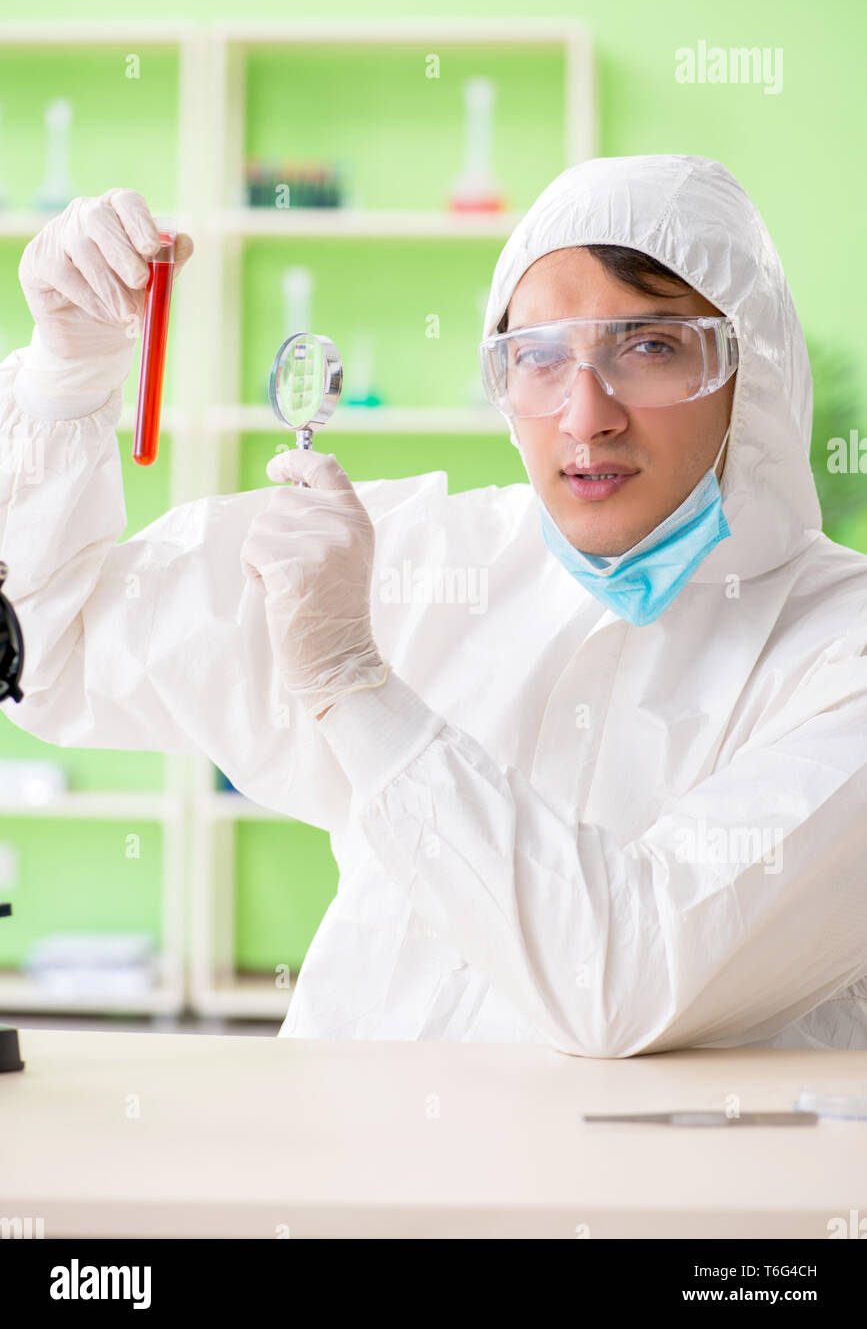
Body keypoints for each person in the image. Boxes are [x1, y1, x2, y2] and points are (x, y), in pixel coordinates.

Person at [2, 158, 866, 1055]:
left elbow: (623, 979)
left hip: (644, 1196)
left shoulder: (840, 655)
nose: (584, 415)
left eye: (647, 347)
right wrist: (65, 375)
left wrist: (354, 687)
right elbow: (42, 651)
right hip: (335, 1173)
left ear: (747, 368)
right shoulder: (416, 557)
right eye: (537, 356)